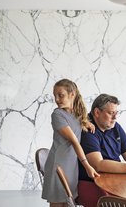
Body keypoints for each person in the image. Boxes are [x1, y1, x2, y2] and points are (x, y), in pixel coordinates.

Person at [41, 79, 100, 207]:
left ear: (72, 94)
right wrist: (87, 166)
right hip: (58, 166)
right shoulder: (57, 114)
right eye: (55, 96)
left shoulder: (78, 114)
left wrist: (86, 123)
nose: (56, 99)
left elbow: (77, 124)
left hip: (71, 167)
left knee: (69, 202)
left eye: (60, 95)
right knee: (58, 202)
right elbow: (74, 141)